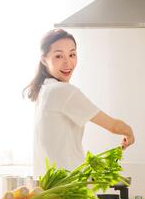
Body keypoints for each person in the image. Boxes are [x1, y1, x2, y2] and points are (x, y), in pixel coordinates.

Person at [24, 29, 135, 179]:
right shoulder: (62, 91)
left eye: (72, 54)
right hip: (70, 184)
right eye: (58, 56)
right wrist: (129, 132)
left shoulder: (44, 90)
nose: (67, 62)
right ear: (44, 59)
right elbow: (113, 126)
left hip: (50, 185)